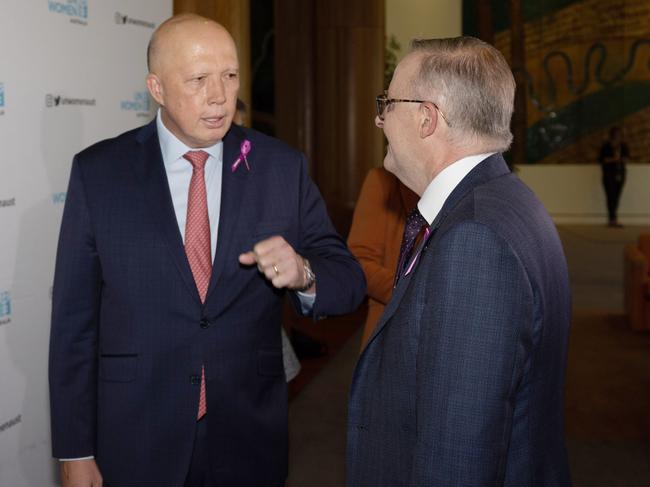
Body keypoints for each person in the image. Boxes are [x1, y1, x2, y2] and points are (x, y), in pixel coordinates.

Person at [49, 14, 365, 487]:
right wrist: (75, 450)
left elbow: (349, 281)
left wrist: (304, 273)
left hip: (248, 433)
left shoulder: (279, 168)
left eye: (230, 75)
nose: (220, 96)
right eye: (198, 79)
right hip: (136, 435)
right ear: (156, 88)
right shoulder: (99, 174)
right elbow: (74, 324)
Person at [346, 37, 572, 486]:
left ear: (427, 118)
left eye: (388, 103)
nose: (378, 118)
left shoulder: (474, 239)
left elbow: (458, 455)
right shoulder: (509, 201)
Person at [347, 167, 418, 350]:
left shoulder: (463, 185)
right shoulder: (384, 181)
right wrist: (416, 294)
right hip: (391, 333)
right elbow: (360, 262)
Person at [599, 125, 630, 227]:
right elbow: (602, 160)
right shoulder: (606, 146)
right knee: (610, 196)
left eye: (619, 134)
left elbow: (626, 158)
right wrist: (614, 159)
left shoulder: (623, 146)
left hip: (620, 173)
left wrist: (620, 160)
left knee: (616, 197)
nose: (618, 136)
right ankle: (612, 219)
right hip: (609, 175)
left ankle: (614, 218)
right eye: (616, 134)